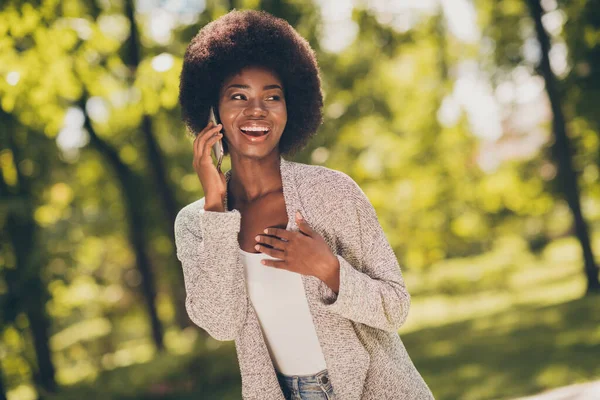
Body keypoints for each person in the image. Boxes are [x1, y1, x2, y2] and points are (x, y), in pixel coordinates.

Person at [175, 9, 434, 400]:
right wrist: (215, 205)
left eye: (272, 96)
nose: (256, 110)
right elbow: (221, 322)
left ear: (290, 106)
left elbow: (394, 308)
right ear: (213, 112)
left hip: (376, 388)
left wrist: (328, 268)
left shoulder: (331, 192)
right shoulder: (196, 222)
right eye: (238, 96)